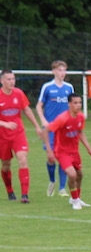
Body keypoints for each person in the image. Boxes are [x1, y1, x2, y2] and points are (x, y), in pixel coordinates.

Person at [0, 69, 46, 203]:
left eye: (13, 79)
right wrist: (4, 124)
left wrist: (37, 126)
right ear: (2, 81)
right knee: (6, 165)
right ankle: (9, 190)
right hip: (3, 136)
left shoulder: (19, 93)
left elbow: (26, 109)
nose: (12, 82)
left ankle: (25, 195)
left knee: (22, 158)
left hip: (18, 133)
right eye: (8, 79)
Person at [45, 94, 91, 211]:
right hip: (62, 152)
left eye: (80, 103)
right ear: (69, 104)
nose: (78, 105)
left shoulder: (81, 117)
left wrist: (89, 149)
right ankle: (75, 201)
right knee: (72, 175)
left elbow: (80, 133)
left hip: (74, 151)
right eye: (75, 103)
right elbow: (46, 131)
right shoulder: (62, 118)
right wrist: (49, 151)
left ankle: (76, 198)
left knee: (80, 175)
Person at [35, 60, 73, 197]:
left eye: (64, 70)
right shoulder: (47, 87)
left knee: (64, 157)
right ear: (54, 71)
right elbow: (39, 106)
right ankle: (52, 180)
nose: (62, 73)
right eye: (59, 70)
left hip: (65, 129)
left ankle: (62, 188)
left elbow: (72, 106)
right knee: (51, 158)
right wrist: (43, 121)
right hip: (51, 128)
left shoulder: (69, 87)